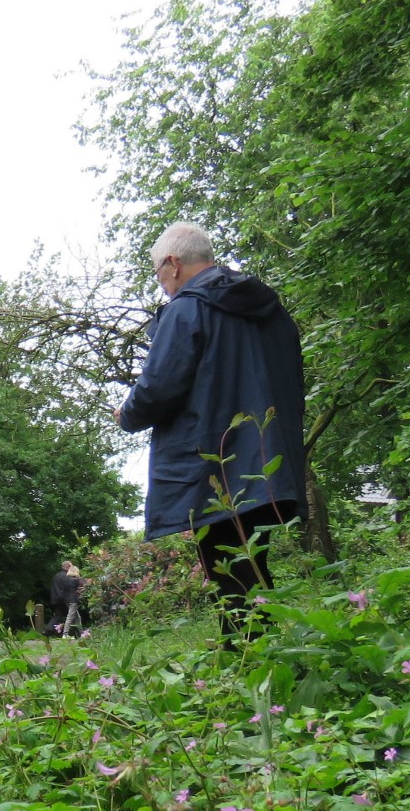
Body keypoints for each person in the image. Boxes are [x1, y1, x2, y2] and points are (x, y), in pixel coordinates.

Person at [116, 220, 306, 643]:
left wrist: (126, 413)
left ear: (173, 263)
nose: (162, 284)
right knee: (251, 563)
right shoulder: (269, 311)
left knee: (229, 569)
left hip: (216, 464)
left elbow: (159, 386)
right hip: (269, 458)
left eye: (158, 273)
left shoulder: (188, 308)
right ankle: (260, 661)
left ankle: (252, 669)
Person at [48, 562, 83, 637]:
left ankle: (49, 629)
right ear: (69, 567)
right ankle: (66, 633)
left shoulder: (56, 575)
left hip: (56, 598)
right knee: (70, 616)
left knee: (59, 615)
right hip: (64, 599)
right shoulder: (67, 577)